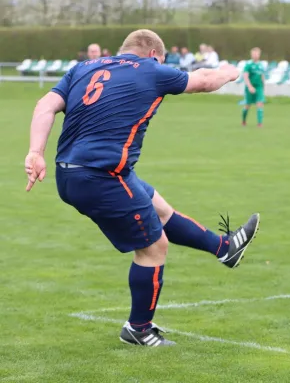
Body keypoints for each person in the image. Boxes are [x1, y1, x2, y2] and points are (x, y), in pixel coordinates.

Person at [24, 29, 261, 346]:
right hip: (101, 176)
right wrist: (228, 72)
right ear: (154, 55)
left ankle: (225, 249)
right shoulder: (150, 68)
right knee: (154, 248)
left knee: (158, 207)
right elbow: (203, 80)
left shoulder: (82, 68)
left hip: (71, 173)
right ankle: (139, 328)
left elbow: (45, 105)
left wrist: (35, 152)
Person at [241, 47, 266, 127]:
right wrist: (250, 86)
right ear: (251, 54)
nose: (255, 55)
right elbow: (245, 76)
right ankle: (243, 121)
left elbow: (262, 76)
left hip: (259, 87)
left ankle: (260, 123)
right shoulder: (248, 65)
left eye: (257, 54)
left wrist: (263, 87)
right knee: (247, 105)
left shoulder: (261, 65)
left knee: (260, 103)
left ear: (259, 55)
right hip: (250, 87)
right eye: (254, 54)